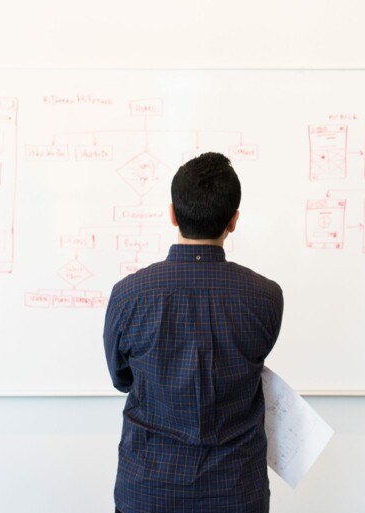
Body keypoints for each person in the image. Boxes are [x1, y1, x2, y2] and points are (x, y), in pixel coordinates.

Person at [103, 151, 284, 513]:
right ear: (233, 221)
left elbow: (122, 378)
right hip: (236, 492)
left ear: (172, 214)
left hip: (148, 490)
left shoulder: (128, 295)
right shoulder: (266, 297)